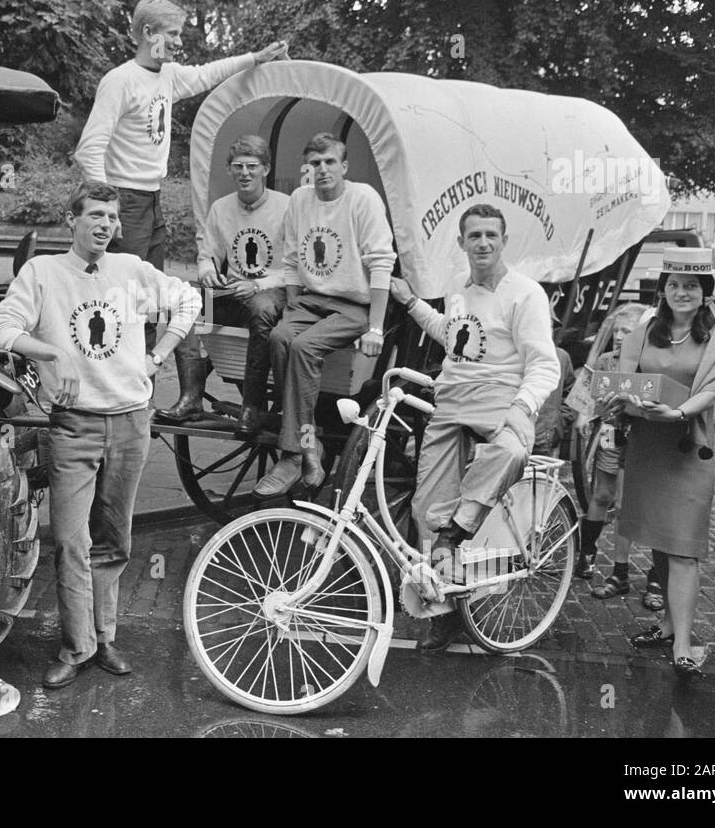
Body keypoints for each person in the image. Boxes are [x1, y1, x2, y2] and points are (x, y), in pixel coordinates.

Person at [0, 182, 201, 689]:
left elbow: (188, 300)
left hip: (130, 422)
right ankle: (75, 645)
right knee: (70, 540)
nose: (106, 225)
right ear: (71, 219)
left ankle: (104, 639)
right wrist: (49, 353)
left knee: (114, 540)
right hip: (74, 426)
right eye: (96, 216)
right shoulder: (43, 273)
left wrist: (158, 355)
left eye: (112, 217)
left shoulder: (130, 271)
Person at [388, 203, 561, 652]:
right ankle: (444, 608)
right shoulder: (458, 289)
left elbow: (544, 364)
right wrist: (409, 301)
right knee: (427, 509)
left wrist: (523, 408)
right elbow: (453, 333)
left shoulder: (525, 294)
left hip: (499, 400)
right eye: (474, 236)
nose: (482, 243)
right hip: (451, 402)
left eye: (491, 235)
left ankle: (457, 530)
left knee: (510, 452)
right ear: (461, 242)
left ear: (504, 241)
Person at [73, 0, 288, 273]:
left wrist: (255, 59)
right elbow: (88, 150)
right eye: (172, 34)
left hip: (152, 197)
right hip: (124, 197)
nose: (179, 42)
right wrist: (105, 210)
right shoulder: (120, 80)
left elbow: (206, 74)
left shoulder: (168, 74)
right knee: (122, 287)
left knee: (149, 285)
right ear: (149, 34)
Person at [609, 248, 715, 678]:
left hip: (686, 448)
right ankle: (666, 627)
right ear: (663, 289)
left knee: (683, 549)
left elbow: (712, 392)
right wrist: (628, 401)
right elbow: (625, 377)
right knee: (660, 542)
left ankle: (683, 644)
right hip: (648, 446)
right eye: (674, 285)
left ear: (705, 293)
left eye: (692, 286)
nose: (682, 292)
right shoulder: (645, 329)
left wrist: (679, 413)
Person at [253, 133, 395, 496]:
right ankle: (308, 442)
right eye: (315, 164)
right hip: (311, 299)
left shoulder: (362, 199)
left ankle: (295, 452)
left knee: (302, 347)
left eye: (330, 162)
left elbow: (381, 264)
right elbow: (290, 260)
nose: (322, 170)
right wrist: (292, 305)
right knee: (281, 337)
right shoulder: (301, 199)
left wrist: (376, 328)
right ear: (307, 168)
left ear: (343, 166)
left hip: (355, 305)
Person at [155, 135, 289, 435]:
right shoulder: (221, 208)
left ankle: (251, 408)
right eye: (238, 166)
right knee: (180, 300)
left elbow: (295, 270)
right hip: (232, 291)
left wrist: (259, 285)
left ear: (265, 169)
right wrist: (207, 273)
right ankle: (191, 396)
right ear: (230, 169)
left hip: (272, 293)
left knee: (261, 309)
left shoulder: (287, 207)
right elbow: (206, 257)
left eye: (252, 166)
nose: (245, 173)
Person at [576, 303, 649, 588]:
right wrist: (583, 414)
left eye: (626, 331)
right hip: (610, 434)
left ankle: (623, 568)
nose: (619, 336)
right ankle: (587, 553)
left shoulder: (647, 363)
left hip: (637, 437)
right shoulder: (606, 360)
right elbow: (586, 396)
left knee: (624, 503)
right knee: (601, 494)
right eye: (617, 330)